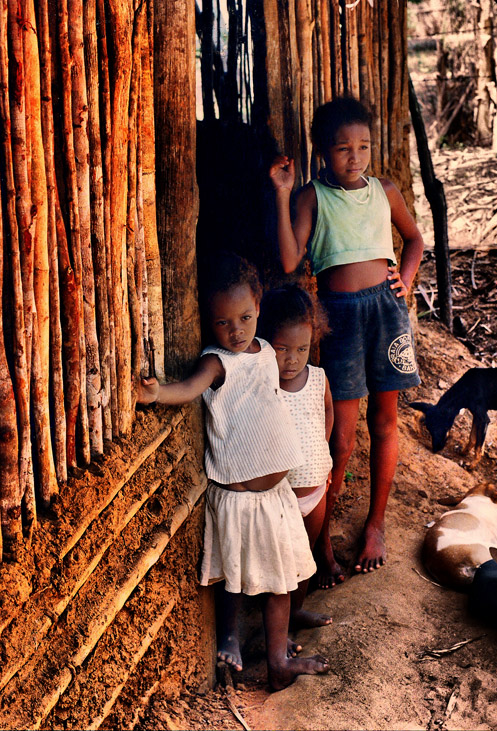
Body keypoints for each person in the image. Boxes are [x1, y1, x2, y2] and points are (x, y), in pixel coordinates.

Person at [136, 253, 329, 691]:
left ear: (259, 306)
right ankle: (229, 637)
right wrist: (156, 393)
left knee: (280, 583)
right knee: (235, 579)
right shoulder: (217, 362)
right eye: (223, 323)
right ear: (209, 322)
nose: (236, 330)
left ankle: (278, 660)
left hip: (277, 494)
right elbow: (188, 389)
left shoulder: (267, 351)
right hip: (239, 498)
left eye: (244, 317)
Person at [269, 97, 424, 588]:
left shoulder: (385, 190)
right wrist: (282, 192)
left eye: (362, 147)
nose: (354, 157)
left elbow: (414, 239)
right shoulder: (312, 197)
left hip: (386, 310)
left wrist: (407, 278)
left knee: (385, 421)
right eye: (342, 149)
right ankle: (323, 542)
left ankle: (375, 525)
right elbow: (292, 260)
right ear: (322, 152)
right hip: (340, 319)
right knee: (340, 436)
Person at [259, 284, 334, 629]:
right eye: (281, 349)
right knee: (281, 561)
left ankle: (297, 611)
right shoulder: (264, 384)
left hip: (316, 489)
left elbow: (327, 413)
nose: (292, 359)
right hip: (280, 496)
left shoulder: (318, 378)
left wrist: (323, 453)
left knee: (306, 557)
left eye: (302, 348)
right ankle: (276, 626)